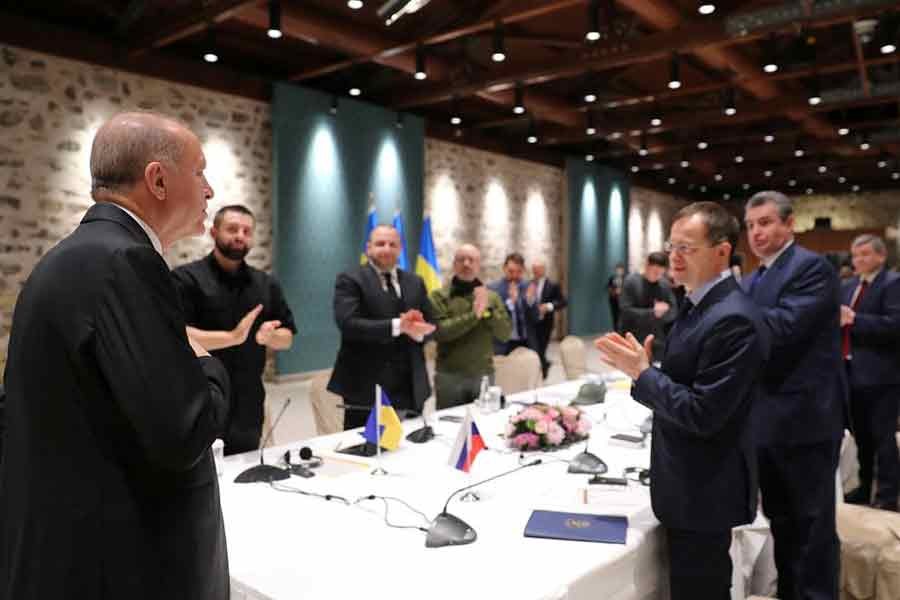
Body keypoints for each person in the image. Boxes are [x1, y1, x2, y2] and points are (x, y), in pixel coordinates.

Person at [0, 112, 231, 599]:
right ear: (158, 179)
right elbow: (182, 433)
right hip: (122, 564)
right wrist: (207, 365)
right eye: (200, 172)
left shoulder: (72, 257)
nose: (210, 190)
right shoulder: (125, 260)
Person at [596, 201, 769, 600]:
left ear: (722, 251)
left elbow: (703, 412)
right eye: (671, 246)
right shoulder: (699, 304)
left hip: (705, 489)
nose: (673, 257)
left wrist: (644, 374)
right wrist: (649, 368)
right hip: (686, 482)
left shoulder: (733, 318)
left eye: (686, 248)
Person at [743, 190, 846, 600]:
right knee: (782, 525)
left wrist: (725, 313)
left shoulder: (811, 268)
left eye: (765, 222)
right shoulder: (754, 278)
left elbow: (783, 328)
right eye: (750, 225)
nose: (756, 232)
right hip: (769, 420)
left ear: (789, 224)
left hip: (806, 420)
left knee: (812, 530)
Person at [172, 205, 296, 455]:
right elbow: (176, 334)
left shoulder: (266, 283)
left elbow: (288, 338)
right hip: (200, 398)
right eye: (232, 229)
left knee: (244, 474)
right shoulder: (185, 279)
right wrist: (232, 338)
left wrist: (271, 337)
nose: (240, 235)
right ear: (213, 232)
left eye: (247, 231)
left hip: (249, 402)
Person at [328, 225, 435, 429]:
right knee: (367, 452)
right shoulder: (350, 279)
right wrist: (398, 326)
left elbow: (432, 323)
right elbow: (348, 323)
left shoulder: (415, 282)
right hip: (365, 388)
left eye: (392, 244)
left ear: (400, 249)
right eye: (380, 244)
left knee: (410, 452)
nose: (386, 249)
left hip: (410, 387)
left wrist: (418, 332)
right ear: (369, 248)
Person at [841, 234, 900, 510]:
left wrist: (855, 320)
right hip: (850, 372)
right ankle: (863, 488)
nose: (859, 260)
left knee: (883, 439)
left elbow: (894, 325)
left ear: (880, 256)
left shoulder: (892, 283)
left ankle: (888, 495)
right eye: (855, 255)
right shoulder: (848, 285)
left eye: (865, 254)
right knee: (861, 438)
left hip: (881, 375)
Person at [431, 244, 511, 409]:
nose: (466, 264)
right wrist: (474, 315)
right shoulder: (439, 296)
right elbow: (441, 332)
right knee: (448, 428)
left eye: (471, 260)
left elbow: (505, 334)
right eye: (461, 260)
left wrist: (487, 312)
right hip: (449, 377)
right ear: (454, 265)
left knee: (482, 426)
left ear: (478, 265)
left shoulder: (492, 298)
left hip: (483, 375)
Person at [619, 251, 677, 359]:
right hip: (634, 338)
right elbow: (625, 310)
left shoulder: (664, 284)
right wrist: (653, 313)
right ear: (647, 266)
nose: (657, 276)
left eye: (660, 273)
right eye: (654, 272)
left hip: (657, 339)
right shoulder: (631, 281)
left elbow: (674, 310)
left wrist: (662, 314)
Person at [490, 252, 539, 355]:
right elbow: (491, 318)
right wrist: (510, 303)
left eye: (519, 272)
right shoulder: (493, 289)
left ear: (523, 270)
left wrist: (531, 301)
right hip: (503, 345)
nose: (515, 275)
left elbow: (535, 317)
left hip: (527, 343)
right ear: (504, 268)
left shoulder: (528, 286)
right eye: (511, 271)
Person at [529, 259, 568, 379]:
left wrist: (549, 306)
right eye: (534, 269)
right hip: (531, 323)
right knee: (534, 349)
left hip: (545, 323)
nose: (536, 271)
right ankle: (542, 367)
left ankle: (543, 373)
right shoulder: (528, 284)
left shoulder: (552, 285)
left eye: (538, 269)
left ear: (544, 270)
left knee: (541, 349)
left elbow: (562, 302)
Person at [607, 263, 626, 331]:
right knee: (615, 317)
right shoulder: (612, 278)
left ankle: (622, 331)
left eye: (620, 269)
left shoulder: (626, 278)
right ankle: (616, 331)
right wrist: (614, 291)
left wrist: (622, 291)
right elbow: (608, 288)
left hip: (623, 301)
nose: (619, 271)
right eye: (618, 269)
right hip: (614, 301)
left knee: (622, 317)